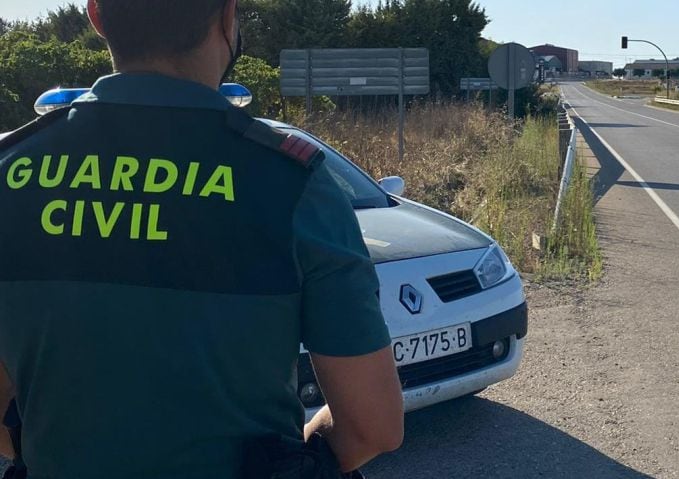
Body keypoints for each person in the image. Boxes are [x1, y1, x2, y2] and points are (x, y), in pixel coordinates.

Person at [0, 0, 404, 477]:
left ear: (95, 16)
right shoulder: (292, 183)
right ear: (228, 18)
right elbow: (373, 426)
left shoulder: (11, 173)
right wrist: (299, 456)